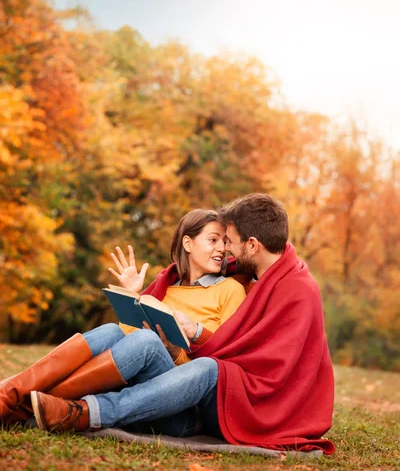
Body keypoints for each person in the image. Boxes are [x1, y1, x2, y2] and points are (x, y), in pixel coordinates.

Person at [30, 193, 335, 454]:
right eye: (218, 241)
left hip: (250, 405)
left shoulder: (297, 288)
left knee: (209, 368)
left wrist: (194, 333)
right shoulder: (259, 277)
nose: (226, 250)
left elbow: (271, 364)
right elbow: (242, 342)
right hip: (202, 392)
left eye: (229, 242)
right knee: (122, 334)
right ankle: (27, 395)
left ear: (253, 245)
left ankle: (86, 412)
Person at [0, 209, 246, 427]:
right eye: (213, 240)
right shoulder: (164, 290)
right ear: (188, 243)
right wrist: (133, 295)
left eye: (224, 242)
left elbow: (226, 361)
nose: (222, 249)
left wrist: (177, 349)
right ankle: (13, 394)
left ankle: (25, 404)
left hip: (183, 406)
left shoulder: (230, 290)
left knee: (148, 342)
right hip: (142, 387)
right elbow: (125, 347)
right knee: (111, 332)